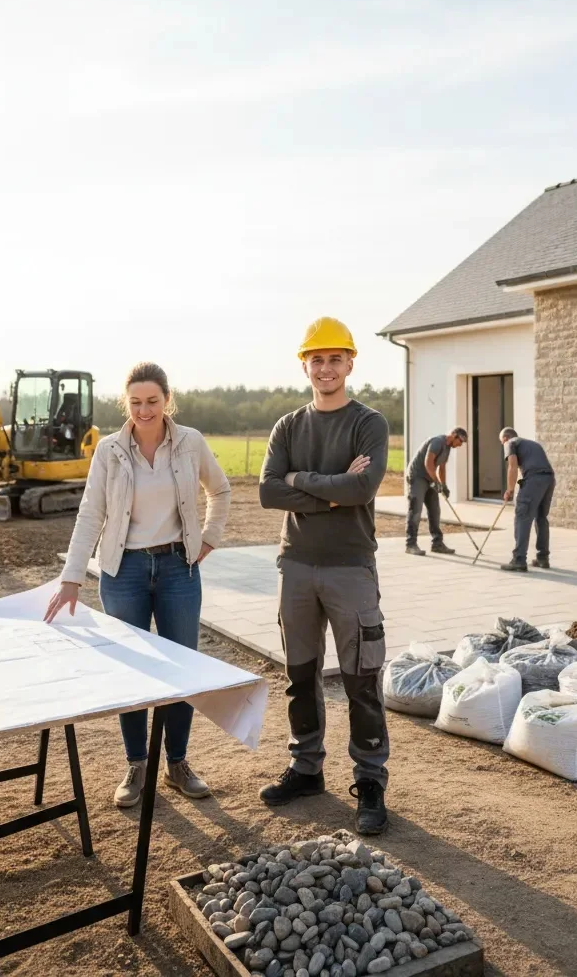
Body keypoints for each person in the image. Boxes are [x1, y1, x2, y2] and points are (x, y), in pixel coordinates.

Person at [44, 361, 231, 808]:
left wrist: (208, 539)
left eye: (152, 401)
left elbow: (220, 491)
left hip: (177, 571)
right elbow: (90, 513)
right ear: (125, 404)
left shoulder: (190, 443)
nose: (144, 410)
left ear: (167, 400)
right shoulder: (109, 450)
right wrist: (72, 579)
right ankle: (136, 765)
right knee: (130, 671)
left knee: (182, 667)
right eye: (136, 402)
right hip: (122, 573)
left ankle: (178, 763)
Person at [258, 317, 390, 835]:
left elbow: (363, 490)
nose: (327, 367)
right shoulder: (288, 426)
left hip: (351, 567)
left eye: (336, 358)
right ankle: (306, 768)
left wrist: (301, 481)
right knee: (300, 676)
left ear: (351, 363)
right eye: (317, 359)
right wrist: (332, 488)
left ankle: (371, 781)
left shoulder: (369, 423)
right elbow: (268, 492)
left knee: (361, 678)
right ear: (305, 365)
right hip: (296, 566)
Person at [498, 427, 556, 573]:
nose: (503, 446)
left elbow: (512, 466)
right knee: (541, 517)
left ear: (505, 438)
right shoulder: (532, 444)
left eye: (501, 443)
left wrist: (509, 490)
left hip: (534, 479)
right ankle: (543, 558)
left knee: (522, 516)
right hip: (549, 479)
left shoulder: (509, 443)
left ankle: (519, 560)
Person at [405, 429, 467, 556]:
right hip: (417, 476)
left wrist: (443, 486)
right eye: (461, 441)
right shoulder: (437, 442)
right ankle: (410, 544)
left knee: (435, 510)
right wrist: (436, 482)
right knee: (415, 509)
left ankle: (437, 544)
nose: (460, 445)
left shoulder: (448, 448)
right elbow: (428, 463)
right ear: (454, 436)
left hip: (429, 478)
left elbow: (442, 468)